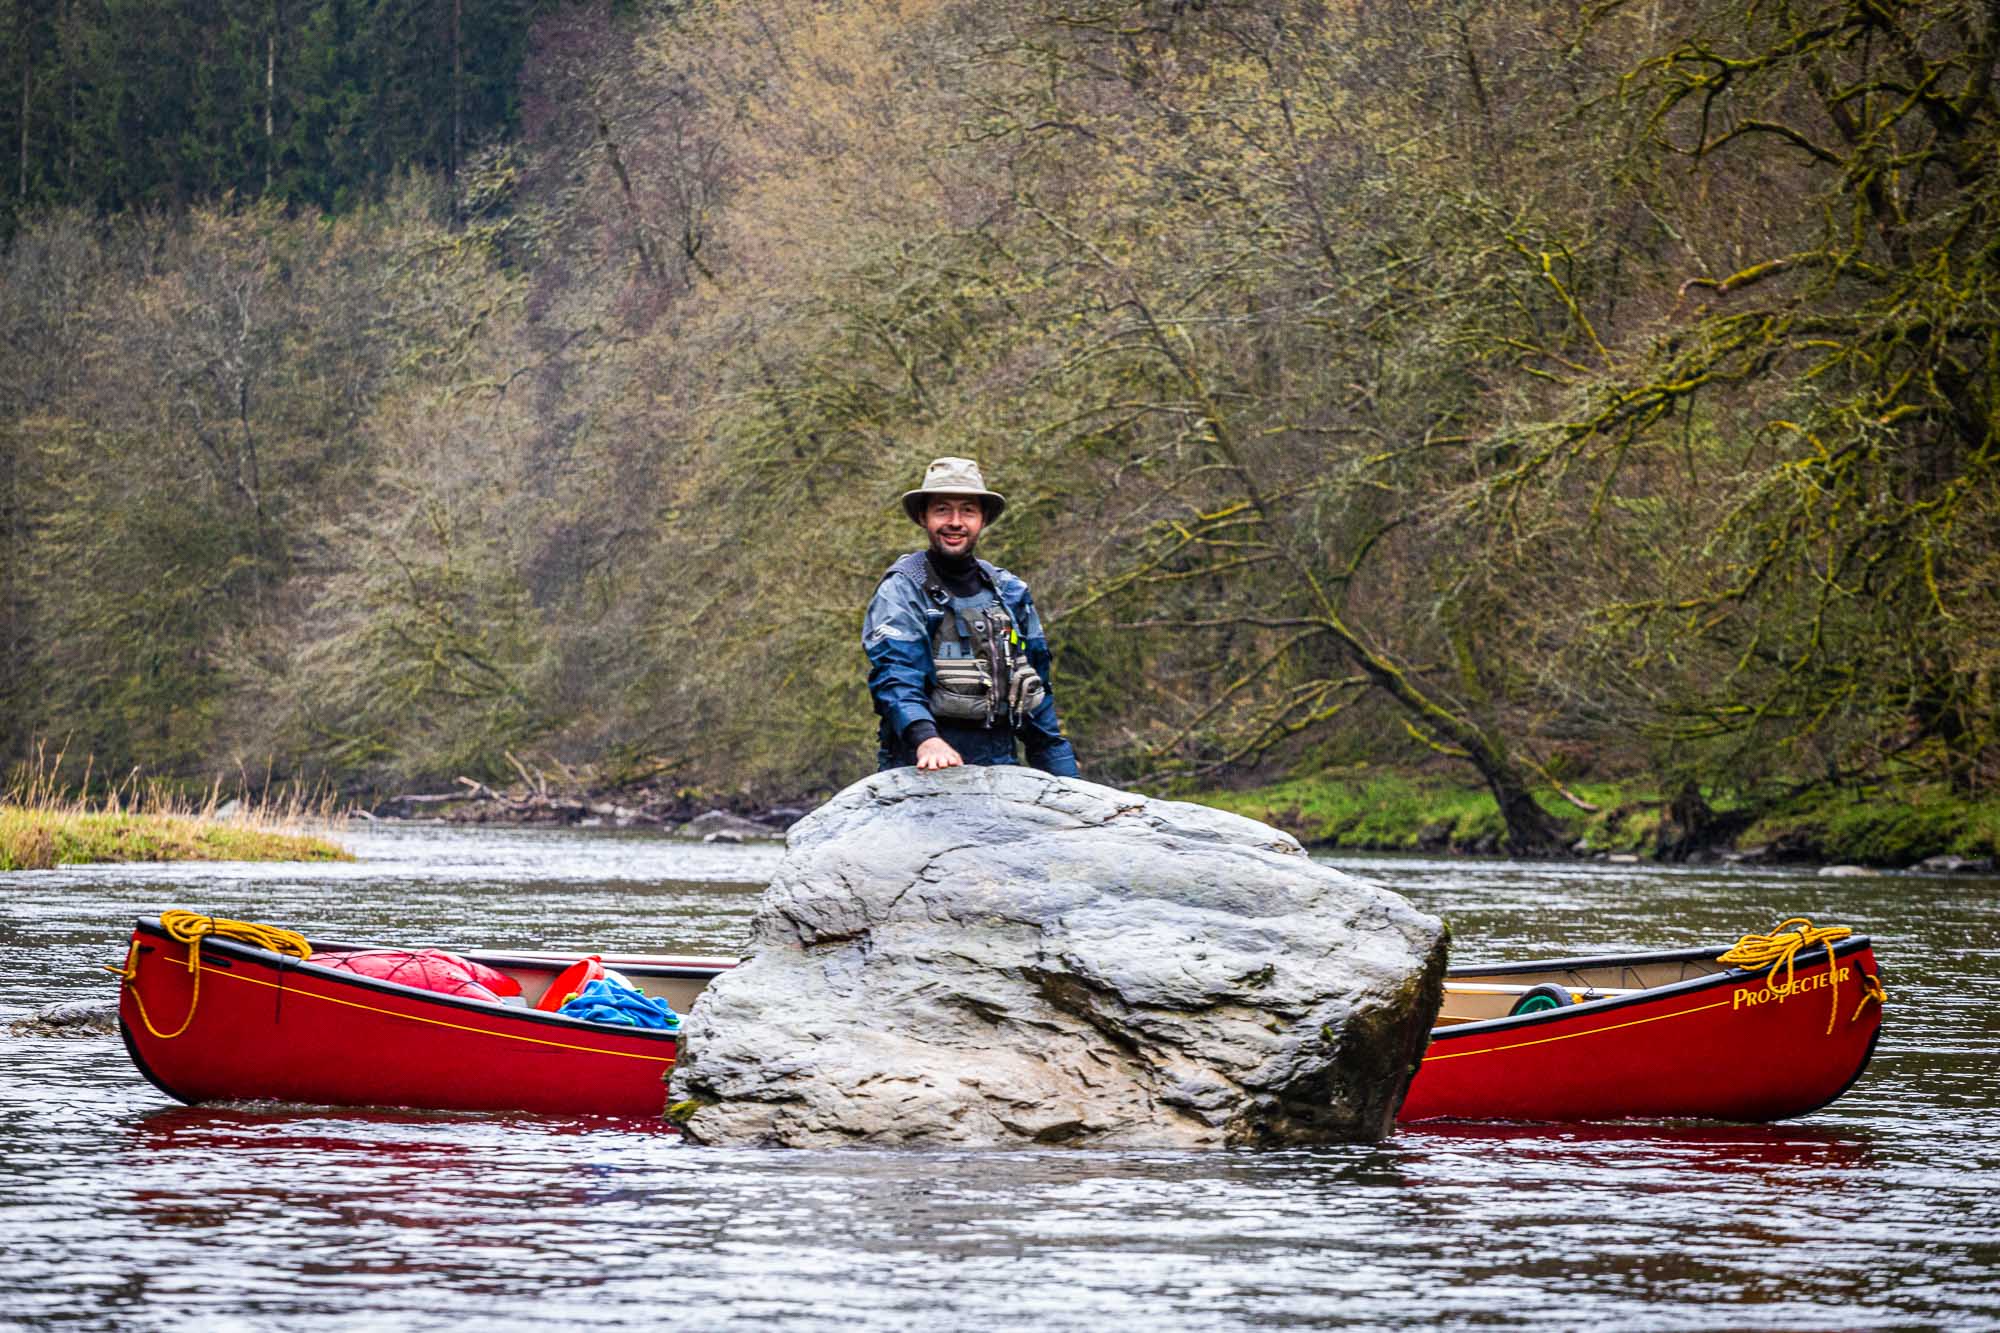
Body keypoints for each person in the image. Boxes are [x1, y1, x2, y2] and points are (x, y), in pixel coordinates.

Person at [863, 457, 1079, 775]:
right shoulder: (902, 589)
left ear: (982, 519)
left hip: (1002, 767)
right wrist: (926, 739)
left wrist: (1068, 781)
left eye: (967, 510)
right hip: (920, 766)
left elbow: (1037, 692)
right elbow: (895, 675)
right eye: (942, 510)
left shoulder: (1010, 592)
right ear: (923, 517)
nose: (955, 521)